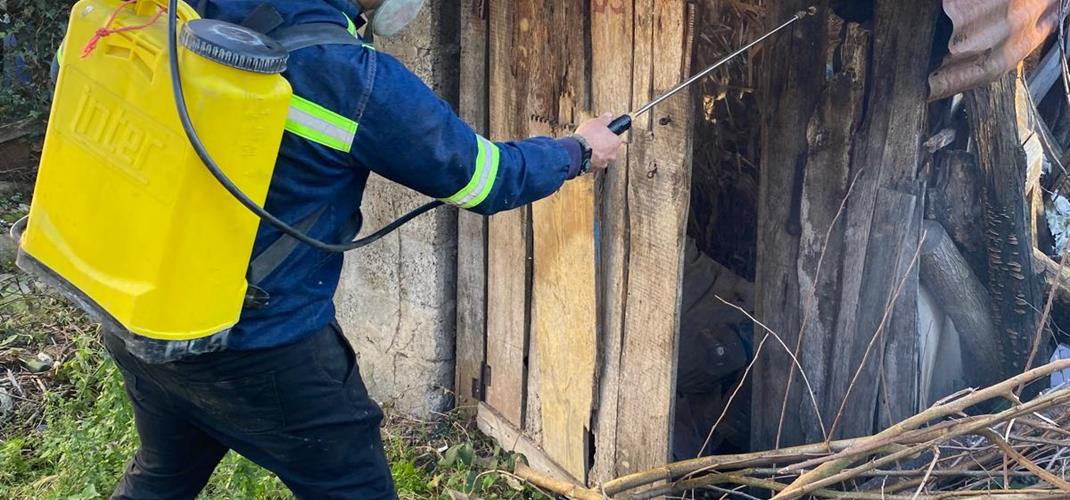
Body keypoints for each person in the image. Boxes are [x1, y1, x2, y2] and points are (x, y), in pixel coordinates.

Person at [95, 0, 623, 498]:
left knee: (161, 478)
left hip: (141, 314)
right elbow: (487, 179)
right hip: (261, 350)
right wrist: (577, 150)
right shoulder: (348, 75)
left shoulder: (171, 13)